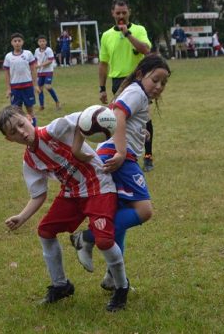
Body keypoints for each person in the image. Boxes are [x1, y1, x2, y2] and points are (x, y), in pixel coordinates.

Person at [0, 105, 130, 311]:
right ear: (9, 139)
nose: (21, 133)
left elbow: (86, 117)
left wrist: (76, 148)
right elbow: (39, 195)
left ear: (29, 118)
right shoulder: (30, 161)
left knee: (104, 240)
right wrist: (22, 217)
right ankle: (61, 285)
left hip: (99, 187)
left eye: (21, 125)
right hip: (72, 193)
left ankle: (122, 288)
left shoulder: (54, 130)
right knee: (45, 232)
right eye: (13, 132)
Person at [73, 55, 170, 289]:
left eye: (163, 83)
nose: (158, 86)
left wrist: (140, 133)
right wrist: (121, 150)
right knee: (144, 211)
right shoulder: (136, 92)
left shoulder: (139, 95)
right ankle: (87, 238)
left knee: (122, 217)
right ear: (140, 75)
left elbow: (124, 118)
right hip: (118, 157)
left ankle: (114, 278)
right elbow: (117, 114)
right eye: (155, 80)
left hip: (116, 154)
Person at [98, 0, 155, 171]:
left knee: (145, 119)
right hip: (118, 83)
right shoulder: (107, 35)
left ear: (129, 12)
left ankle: (148, 156)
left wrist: (127, 34)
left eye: (124, 12)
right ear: (112, 13)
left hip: (139, 81)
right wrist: (102, 88)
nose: (121, 15)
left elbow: (146, 50)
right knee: (119, 120)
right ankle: (123, 153)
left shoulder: (138, 30)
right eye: (118, 13)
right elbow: (103, 63)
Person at [4, 33, 39, 126]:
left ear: (22, 42)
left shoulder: (28, 54)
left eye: (19, 41)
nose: (17, 43)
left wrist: (35, 85)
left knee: (30, 110)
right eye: (15, 41)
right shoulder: (8, 57)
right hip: (15, 88)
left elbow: (33, 70)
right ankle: (23, 130)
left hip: (28, 87)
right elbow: (7, 74)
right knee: (17, 112)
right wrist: (8, 89)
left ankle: (34, 130)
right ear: (11, 43)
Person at [34, 35, 61, 111]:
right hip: (40, 72)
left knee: (48, 87)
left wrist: (40, 65)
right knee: (40, 89)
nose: (42, 43)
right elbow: (35, 60)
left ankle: (57, 102)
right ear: (38, 43)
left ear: (46, 42)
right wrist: (35, 66)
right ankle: (42, 106)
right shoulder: (36, 51)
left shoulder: (49, 50)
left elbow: (50, 60)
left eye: (43, 41)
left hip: (48, 71)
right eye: (40, 41)